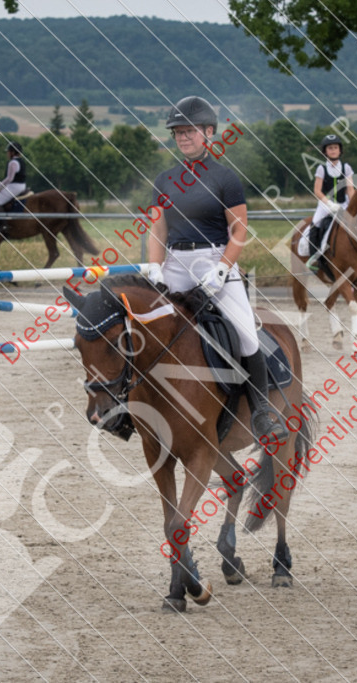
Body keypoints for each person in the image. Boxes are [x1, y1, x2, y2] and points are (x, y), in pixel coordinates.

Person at [144, 96, 288, 443]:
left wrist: (223, 269)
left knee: (246, 334)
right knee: (144, 329)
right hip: (175, 263)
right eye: (177, 132)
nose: (182, 137)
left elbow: (239, 230)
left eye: (189, 131)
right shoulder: (164, 181)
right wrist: (154, 267)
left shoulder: (225, 179)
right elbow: (156, 230)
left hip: (214, 262)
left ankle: (262, 413)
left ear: (209, 132)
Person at [296, 134, 355, 270]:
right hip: (325, 205)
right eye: (330, 148)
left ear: (340, 150)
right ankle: (314, 258)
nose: (333, 150)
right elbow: (317, 190)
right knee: (315, 224)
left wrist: (353, 205)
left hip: (343, 204)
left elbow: (350, 189)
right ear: (325, 152)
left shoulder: (346, 168)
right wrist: (328, 203)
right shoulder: (321, 169)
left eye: (335, 147)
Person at [0, 141, 28, 210]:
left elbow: (9, 178)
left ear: (13, 152)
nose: (7, 154)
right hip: (22, 185)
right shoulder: (21, 161)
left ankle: (2, 221)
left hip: (14, 187)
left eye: (8, 152)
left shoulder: (13, 162)